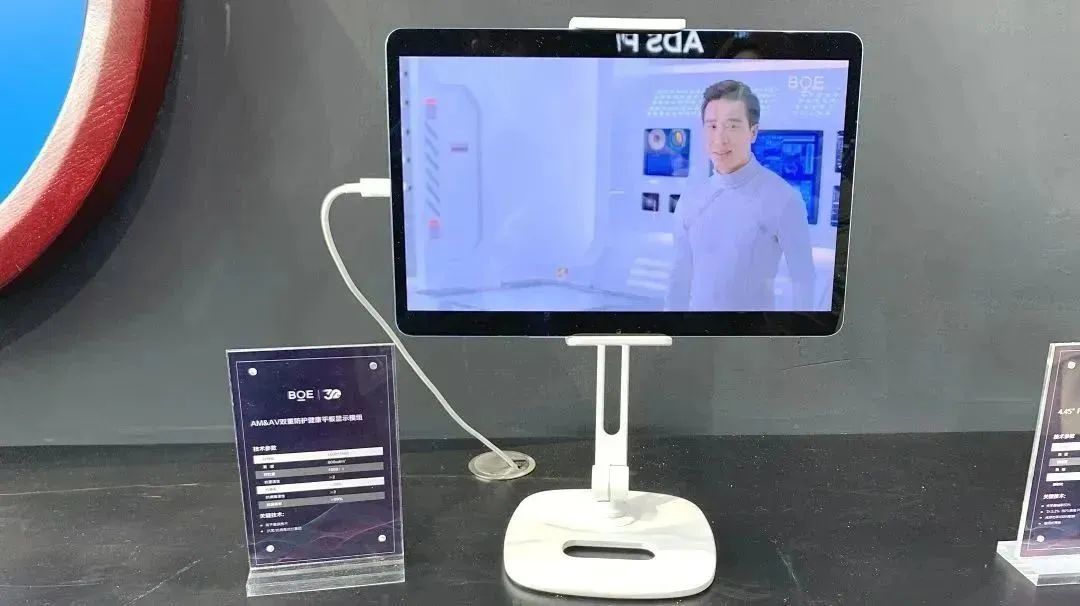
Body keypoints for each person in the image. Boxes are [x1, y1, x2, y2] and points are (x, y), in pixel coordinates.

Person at [666, 80, 814, 312]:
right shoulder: (691, 200)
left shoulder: (783, 199)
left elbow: (803, 281)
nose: (720, 138)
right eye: (712, 126)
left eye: (732, 126)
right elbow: (678, 281)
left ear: (753, 132)